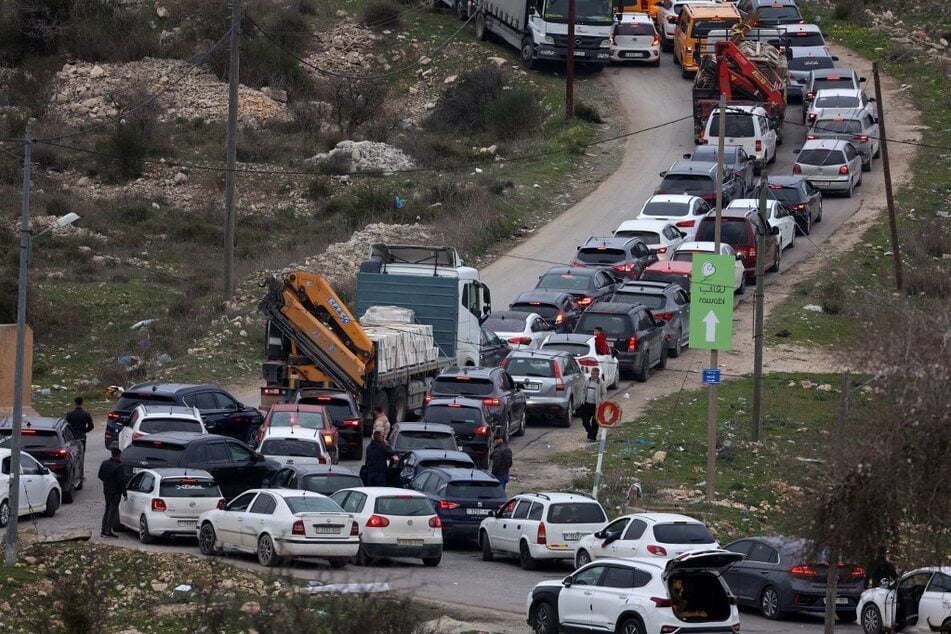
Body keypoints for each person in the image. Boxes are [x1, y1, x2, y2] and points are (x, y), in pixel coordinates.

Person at [97, 447, 126, 538]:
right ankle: (107, 531)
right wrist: (124, 493)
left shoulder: (104, 463)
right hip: (115, 492)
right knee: (112, 511)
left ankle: (103, 530)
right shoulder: (119, 466)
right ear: (118, 455)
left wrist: (107, 482)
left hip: (107, 490)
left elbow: (100, 475)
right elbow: (121, 481)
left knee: (107, 509)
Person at [578, 367, 605, 442]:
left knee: (595, 422)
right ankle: (590, 431)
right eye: (592, 373)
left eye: (594, 374)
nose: (592, 375)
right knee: (585, 420)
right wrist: (582, 400)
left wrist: (602, 403)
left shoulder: (601, 383)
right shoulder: (587, 381)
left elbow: (604, 393)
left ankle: (592, 437)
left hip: (596, 406)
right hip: (586, 404)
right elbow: (583, 390)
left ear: (598, 374)